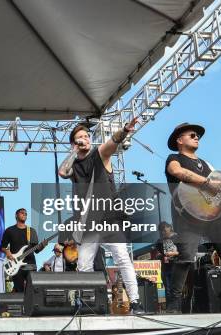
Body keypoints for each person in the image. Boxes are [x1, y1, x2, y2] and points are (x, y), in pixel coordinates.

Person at [58, 119, 145, 314]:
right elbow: (62, 172)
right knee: (84, 264)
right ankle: (88, 303)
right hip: (87, 222)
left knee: (122, 257)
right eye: (80, 137)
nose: (85, 139)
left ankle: (136, 302)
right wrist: (74, 151)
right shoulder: (74, 164)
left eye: (87, 136)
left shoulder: (100, 155)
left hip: (108, 218)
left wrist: (123, 131)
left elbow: (112, 143)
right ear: (74, 143)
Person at [164, 122, 221, 313]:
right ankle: (174, 303)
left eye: (197, 136)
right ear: (179, 140)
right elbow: (177, 172)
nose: (196, 137)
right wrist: (208, 183)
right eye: (192, 134)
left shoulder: (208, 165)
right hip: (187, 215)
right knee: (185, 258)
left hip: (213, 216)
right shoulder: (174, 158)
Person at [1, 208, 44, 292]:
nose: (24, 214)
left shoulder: (32, 231)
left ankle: (30, 305)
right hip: (16, 266)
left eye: (26, 213)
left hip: (31, 265)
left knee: (31, 291)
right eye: (22, 213)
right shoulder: (9, 231)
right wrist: (8, 252)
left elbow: (37, 250)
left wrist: (43, 245)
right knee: (19, 291)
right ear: (16, 216)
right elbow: (2, 247)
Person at [154, 222, 178, 303]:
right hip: (165, 268)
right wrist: (159, 255)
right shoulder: (160, 241)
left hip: (177, 267)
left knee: (176, 289)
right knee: (167, 289)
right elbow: (157, 254)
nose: (163, 232)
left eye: (164, 230)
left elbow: (183, 252)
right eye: (161, 231)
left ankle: (176, 307)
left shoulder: (177, 237)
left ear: (169, 227)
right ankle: (169, 308)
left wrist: (172, 253)